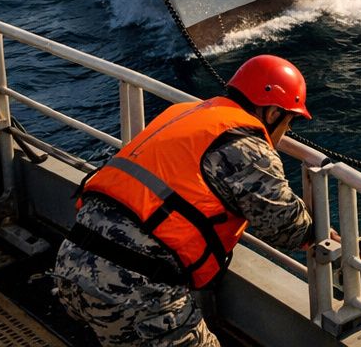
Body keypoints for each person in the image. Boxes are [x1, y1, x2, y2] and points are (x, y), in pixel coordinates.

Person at [52, 55, 316, 346]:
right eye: (289, 121)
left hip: (71, 266)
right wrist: (317, 232)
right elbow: (283, 227)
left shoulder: (185, 112)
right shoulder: (248, 146)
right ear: (273, 113)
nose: (287, 132)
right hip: (131, 290)